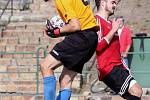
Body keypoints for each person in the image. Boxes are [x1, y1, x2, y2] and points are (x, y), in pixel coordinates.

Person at [41, 0, 98, 100]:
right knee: (65, 80)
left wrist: (56, 31)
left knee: (46, 66)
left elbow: (75, 26)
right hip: (91, 39)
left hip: (81, 37)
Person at [94, 0, 143, 100]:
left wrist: (125, 68)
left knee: (133, 95)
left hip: (118, 66)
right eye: (112, 2)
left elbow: (116, 52)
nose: (115, 5)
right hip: (108, 68)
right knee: (137, 91)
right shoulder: (96, 21)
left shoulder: (112, 23)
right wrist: (113, 30)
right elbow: (98, 46)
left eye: (115, 3)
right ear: (102, 3)